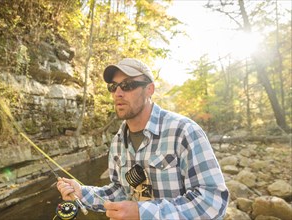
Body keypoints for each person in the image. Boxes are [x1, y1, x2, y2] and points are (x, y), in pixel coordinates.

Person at [57, 58, 229, 219]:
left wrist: (142, 213)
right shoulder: (118, 141)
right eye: (113, 86)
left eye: (127, 85)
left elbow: (212, 201)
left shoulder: (184, 131)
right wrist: (82, 193)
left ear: (149, 89)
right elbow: (120, 191)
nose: (118, 93)